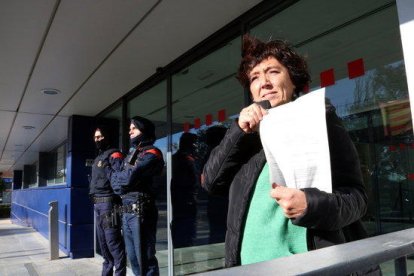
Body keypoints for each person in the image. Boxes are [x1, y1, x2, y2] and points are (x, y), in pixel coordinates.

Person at [201, 35, 379, 274]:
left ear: (293, 79)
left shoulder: (319, 121)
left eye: (273, 72)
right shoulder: (246, 137)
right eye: (255, 77)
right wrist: (237, 132)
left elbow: (357, 199)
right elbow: (211, 182)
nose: (263, 82)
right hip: (248, 269)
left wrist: (311, 206)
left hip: (308, 268)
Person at [109, 116, 164, 276]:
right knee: (133, 259)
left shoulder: (153, 153)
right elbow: (117, 184)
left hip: (141, 211)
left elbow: (126, 179)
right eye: (130, 128)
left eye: (134, 128)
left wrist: (120, 178)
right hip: (127, 212)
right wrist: (120, 178)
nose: (130, 131)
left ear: (144, 130)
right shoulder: (132, 154)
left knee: (145, 259)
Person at [89, 126, 126, 276]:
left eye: (100, 137)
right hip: (98, 204)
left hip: (109, 204)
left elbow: (119, 179)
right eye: (95, 137)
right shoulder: (99, 157)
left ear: (107, 137)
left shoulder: (114, 154)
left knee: (113, 243)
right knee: (103, 244)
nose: (97, 140)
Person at [171, 132, 199, 248]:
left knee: (181, 236)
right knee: (185, 237)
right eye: (194, 144)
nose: (196, 147)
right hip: (185, 202)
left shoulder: (176, 158)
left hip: (180, 203)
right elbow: (189, 181)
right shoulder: (185, 159)